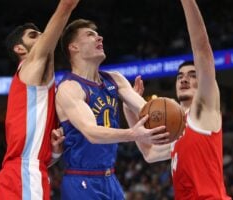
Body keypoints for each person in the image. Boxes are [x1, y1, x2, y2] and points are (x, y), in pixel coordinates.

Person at [123, 0, 231, 199]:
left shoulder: (203, 111)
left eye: (192, 75)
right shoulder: (176, 130)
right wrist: (128, 107)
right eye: (180, 76)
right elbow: (149, 153)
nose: (184, 79)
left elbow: (203, 52)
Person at [55, 19, 170, 199]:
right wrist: (133, 134)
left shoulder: (115, 79)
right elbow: (91, 132)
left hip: (110, 178)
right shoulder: (70, 88)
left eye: (98, 34)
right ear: (74, 47)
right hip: (81, 180)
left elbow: (146, 109)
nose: (99, 37)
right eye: (90, 35)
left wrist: (181, 116)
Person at [0, 0, 79, 199]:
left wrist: (54, 153)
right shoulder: (30, 67)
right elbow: (63, 10)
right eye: (34, 35)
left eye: (42, 33)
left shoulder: (36, 81)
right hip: (24, 172)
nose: (42, 37)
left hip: (22, 171)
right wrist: (66, 6)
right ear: (20, 49)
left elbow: (32, 147)